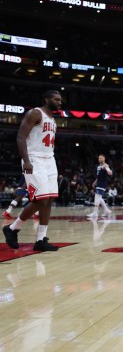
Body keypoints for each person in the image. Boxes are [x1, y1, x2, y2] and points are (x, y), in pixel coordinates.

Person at [3, 90, 62, 251]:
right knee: (41, 199)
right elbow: (21, 137)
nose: (59, 102)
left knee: (48, 199)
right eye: (56, 99)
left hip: (50, 160)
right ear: (47, 99)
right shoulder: (35, 113)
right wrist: (27, 160)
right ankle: (13, 228)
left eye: (60, 100)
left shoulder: (53, 119)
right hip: (35, 159)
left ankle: (41, 239)